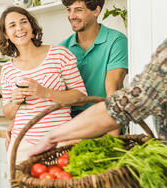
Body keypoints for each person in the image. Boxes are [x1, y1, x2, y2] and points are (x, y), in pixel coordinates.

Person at [0, 6, 87, 188]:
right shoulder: (8, 70)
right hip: (24, 147)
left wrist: (44, 92)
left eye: (23, 21)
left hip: (61, 144)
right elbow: (8, 112)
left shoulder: (59, 54)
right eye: (12, 25)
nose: (19, 27)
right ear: (6, 36)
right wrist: (15, 103)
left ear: (32, 27)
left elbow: (80, 96)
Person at [31, 39, 166, 157]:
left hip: (95, 123)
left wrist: (51, 137)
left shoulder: (115, 41)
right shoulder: (65, 45)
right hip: (81, 125)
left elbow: (117, 107)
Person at [59, 0, 128, 136]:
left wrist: (112, 138)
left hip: (105, 120)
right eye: (69, 10)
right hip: (72, 125)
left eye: (78, 10)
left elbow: (113, 90)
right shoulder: (62, 48)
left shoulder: (116, 41)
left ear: (96, 11)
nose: (71, 16)